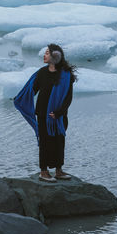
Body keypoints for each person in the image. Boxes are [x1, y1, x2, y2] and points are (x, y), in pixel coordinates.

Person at [13, 43, 76, 182]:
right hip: (42, 114)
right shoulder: (41, 73)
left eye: (47, 53)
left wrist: (59, 112)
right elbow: (31, 90)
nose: (44, 55)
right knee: (45, 143)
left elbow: (68, 97)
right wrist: (19, 99)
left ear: (55, 56)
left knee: (59, 141)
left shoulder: (66, 75)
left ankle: (59, 170)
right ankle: (44, 171)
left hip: (59, 116)